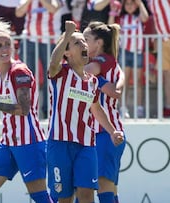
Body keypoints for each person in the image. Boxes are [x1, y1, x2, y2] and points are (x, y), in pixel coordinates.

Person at [46, 20, 124, 203]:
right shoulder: (60, 73)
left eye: (84, 41)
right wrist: (66, 35)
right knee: (65, 198)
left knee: (87, 194)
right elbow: (53, 62)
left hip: (86, 145)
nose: (83, 45)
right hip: (59, 143)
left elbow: (96, 108)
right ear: (67, 52)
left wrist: (112, 131)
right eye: (77, 42)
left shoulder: (92, 81)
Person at [0, 19, 52, 203]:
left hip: (29, 142)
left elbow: (23, 110)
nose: (4, 49)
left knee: (39, 196)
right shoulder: (1, 74)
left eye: (8, 44)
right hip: (8, 142)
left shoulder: (19, 72)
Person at [83, 21, 127, 203]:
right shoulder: (111, 63)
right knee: (103, 190)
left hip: (106, 133)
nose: (83, 43)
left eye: (86, 39)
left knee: (102, 189)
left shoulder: (101, 61)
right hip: (101, 132)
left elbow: (80, 73)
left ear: (99, 43)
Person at [15, 0, 60, 119]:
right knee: (25, 76)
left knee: (50, 77)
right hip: (29, 39)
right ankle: (26, 110)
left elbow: (53, 8)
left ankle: (47, 111)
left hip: (49, 40)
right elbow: (18, 13)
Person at [108, 0, 149, 118]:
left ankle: (139, 108)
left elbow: (145, 18)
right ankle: (123, 107)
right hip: (124, 52)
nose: (130, 6)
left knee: (138, 81)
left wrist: (140, 3)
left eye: (132, 3)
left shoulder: (138, 17)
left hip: (138, 52)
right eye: (127, 4)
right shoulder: (121, 18)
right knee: (123, 81)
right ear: (124, 5)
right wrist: (113, 11)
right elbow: (110, 26)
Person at [149, 0, 170, 118]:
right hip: (163, 39)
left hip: (164, 39)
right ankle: (168, 106)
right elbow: (156, 19)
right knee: (167, 75)